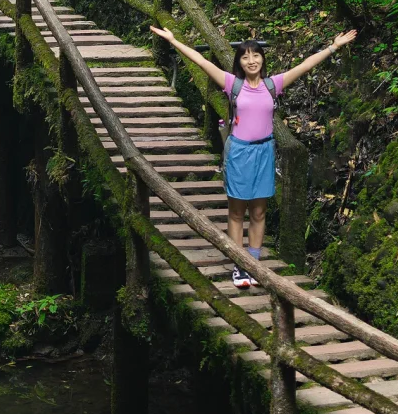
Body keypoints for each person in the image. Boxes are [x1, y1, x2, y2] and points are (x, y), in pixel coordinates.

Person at [151, 23, 357, 289]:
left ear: (262, 59)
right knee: (237, 212)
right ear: (240, 62)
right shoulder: (232, 84)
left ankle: (255, 263)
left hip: (264, 152)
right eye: (245, 56)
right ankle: (240, 265)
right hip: (239, 153)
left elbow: (305, 66)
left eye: (256, 55)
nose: (251, 60)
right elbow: (201, 61)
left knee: (259, 212)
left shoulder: (273, 85)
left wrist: (334, 46)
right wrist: (173, 40)